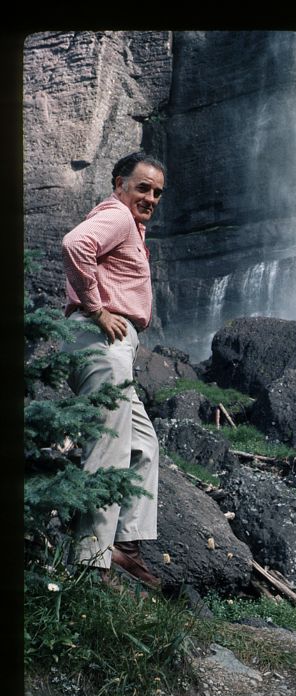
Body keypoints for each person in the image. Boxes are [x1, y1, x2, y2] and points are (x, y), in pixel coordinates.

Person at [61, 151, 166, 590]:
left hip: (112, 346)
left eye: (158, 192)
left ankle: (126, 544)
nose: (151, 198)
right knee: (108, 448)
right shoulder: (118, 217)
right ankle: (90, 564)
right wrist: (97, 307)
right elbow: (74, 244)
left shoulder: (130, 227)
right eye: (143, 187)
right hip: (101, 339)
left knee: (144, 446)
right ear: (119, 183)